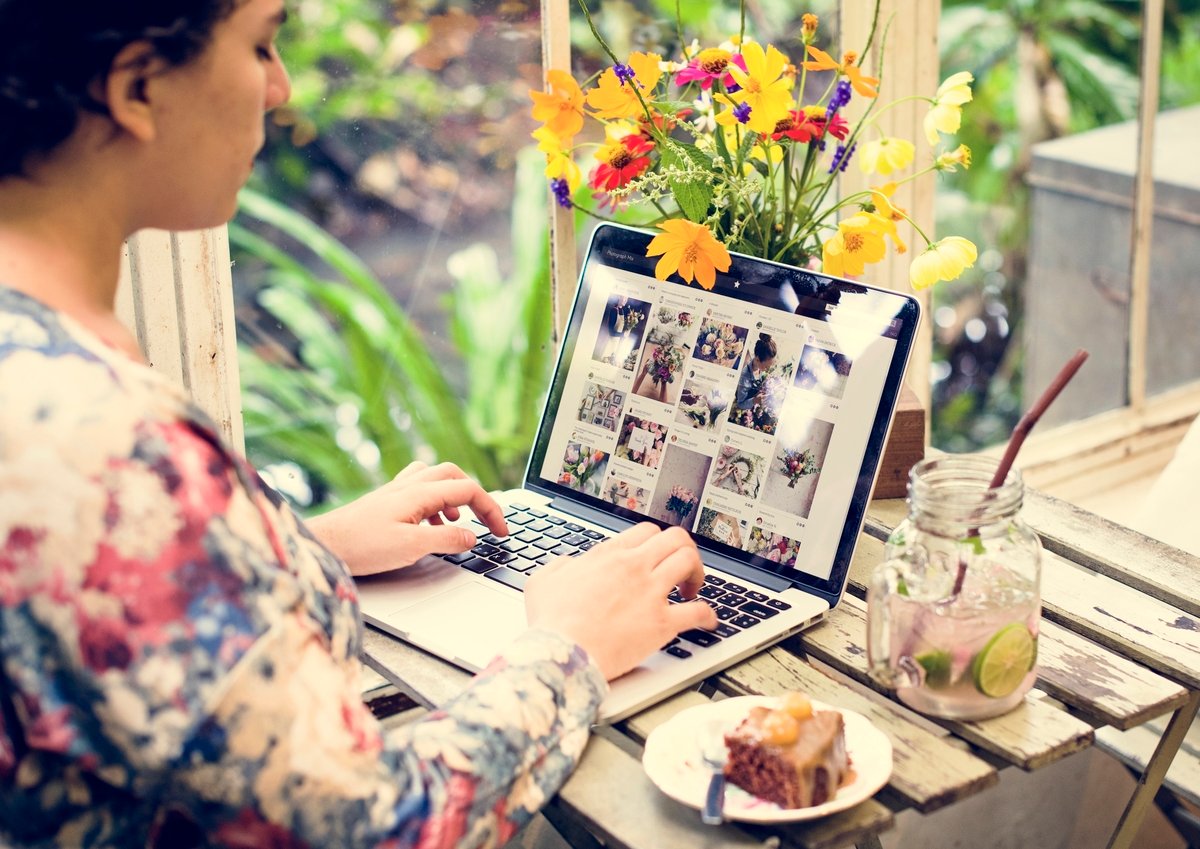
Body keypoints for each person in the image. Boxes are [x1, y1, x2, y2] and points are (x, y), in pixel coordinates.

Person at [0, 2, 717, 847]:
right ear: (137, 88)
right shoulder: (113, 447)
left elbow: (98, 618)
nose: (280, 87)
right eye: (260, 45)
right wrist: (572, 647)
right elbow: (374, 825)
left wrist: (299, 545)